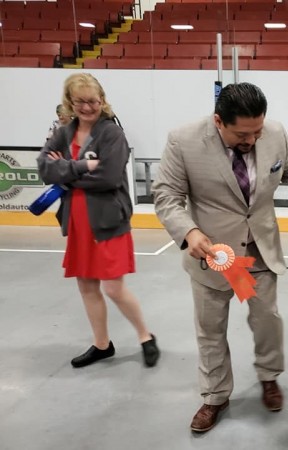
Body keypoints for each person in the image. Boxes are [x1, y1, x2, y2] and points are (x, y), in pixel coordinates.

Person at [152, 82, 288, 433]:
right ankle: (216, 396)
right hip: (213, 255)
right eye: (242, 133)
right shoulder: (183, 140)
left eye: (258, 130)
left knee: (267, 319)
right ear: (219, 121)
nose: (252, 140)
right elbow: (167, 196)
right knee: (211, 329)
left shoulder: (276, 133)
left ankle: (269, 377)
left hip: (260, 249)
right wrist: (189, 232)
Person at [37, 73, 160, 369]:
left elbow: (109, 176)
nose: (87, 107)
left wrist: (66, 174)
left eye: (93, 101)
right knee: (87, 286)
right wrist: (82, 166)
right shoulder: (64, 132)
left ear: (102, 101)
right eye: (80, 101)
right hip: (77, 221)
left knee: (114, 288)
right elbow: (44, 169)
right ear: (71, 102)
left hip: (108, 220)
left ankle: (145, 336)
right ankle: (102, 345)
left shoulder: (112, 134)